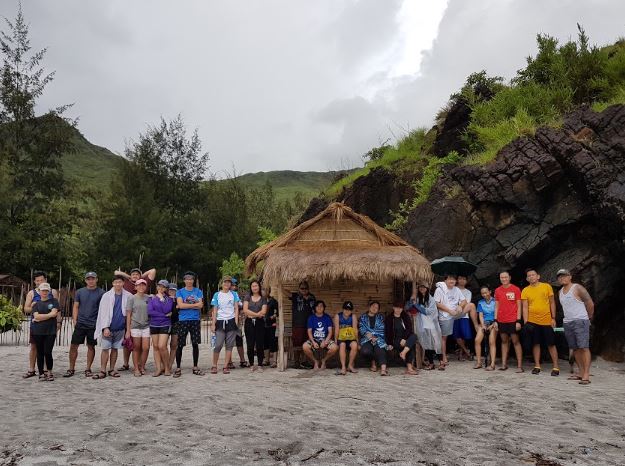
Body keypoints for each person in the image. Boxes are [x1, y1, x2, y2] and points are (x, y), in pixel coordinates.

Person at [114, 266, 156, 371]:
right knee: (128, 343)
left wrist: (141, 277)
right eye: (133, 274)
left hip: (143, 319)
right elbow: (116, 272)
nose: (135, 276)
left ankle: (140, 365)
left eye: (137, 274)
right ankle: (126, 363)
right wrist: (130, 277)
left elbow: (153, 271)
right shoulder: (126, 282)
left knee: (142, 346)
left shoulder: (144, 282)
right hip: (129, 317)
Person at [64, 271, 105, 378]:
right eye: (88, 279)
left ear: (96, 279)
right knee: (73, 346)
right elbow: (76, 306)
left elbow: (103, 309)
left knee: (91, 346)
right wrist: (74, 320)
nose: (91, 281)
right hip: (81, 323)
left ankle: (88, 368)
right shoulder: (80, 292)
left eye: (93, 278)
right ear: (85, 280)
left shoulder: (101, 293)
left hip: (93, 324)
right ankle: (71, 368)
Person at [557, 269, 594, 385]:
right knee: (575, 348)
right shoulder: (560, 292)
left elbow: (590, 303)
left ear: (570, 277)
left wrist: (588, 318)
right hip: (567, 322)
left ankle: (586, 374)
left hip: (580, 320)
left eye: (564, 276)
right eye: (560, 277)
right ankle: (580, 372)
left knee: (584, 347)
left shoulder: (578, 288)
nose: (562, 278)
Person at [522, 268, 560, 376]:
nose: (531, 277)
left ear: (538, 276)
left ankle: (556, 366)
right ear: (526, 278)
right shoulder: (525, 290)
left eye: (533, 275)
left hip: (547, 320)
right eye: (529, 276)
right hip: (532, 320)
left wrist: (553, 318)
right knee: (535, 343)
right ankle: (537, 365)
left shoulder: (546, 286)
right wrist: (526, 321)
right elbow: (525, 307)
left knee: (551, 343)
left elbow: (552, 303)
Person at [22, 271, 60, 379]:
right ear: (34, 282)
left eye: (41, 280)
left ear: (46, 280)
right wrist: (35, 307)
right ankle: (32, 369)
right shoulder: (31, 293)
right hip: (36, 326)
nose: (39, 282)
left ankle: (46, 370)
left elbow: (57, 309)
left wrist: (58, 321)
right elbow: (26, 308)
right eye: (37, 280)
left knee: (47, 349)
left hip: (49, 325)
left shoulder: (52, 292)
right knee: (34, 346)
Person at [93, 275, 132, 379]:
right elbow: (103, 312)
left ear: (123, 283)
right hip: (109, 327)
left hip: (120, 327)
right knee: (105, 348)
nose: (118, 284)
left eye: (120, 282)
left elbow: (129, 313)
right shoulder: (106, 296)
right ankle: (102, 370)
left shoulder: (128, 295)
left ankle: (111, 369)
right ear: (113, 284)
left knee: (115, 349)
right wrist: (105, 327)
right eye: (116, 282)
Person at [174, 271, 204, 377]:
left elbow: (201, 305)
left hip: (195, 320)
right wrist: (194, 305)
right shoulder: (180, 292)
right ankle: (178, 367)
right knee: (180, 344)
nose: (189, 281)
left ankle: (195, 366)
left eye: (191, 279)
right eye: (187, 279)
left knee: (195, 344)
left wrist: (186, 304)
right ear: (184, 280)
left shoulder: (198, 291)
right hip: (183, 320)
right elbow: (180, 305)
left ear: (193, 280)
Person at [407, 283, 443, 370]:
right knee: (426, 344)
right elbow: (408, 308)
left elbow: (428, 312)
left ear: (427, 288)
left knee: (437, 344)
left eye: (423, 287)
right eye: (420, 287)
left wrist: (416, 305)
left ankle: (441, 363)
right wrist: (412, 301)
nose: (422, 289)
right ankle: (431, 363)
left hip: (432, 325)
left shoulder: (431, 299)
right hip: (422, 325)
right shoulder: (417, 298)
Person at [434, 275, 467, 368]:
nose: (452, 281)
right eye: (449, 279)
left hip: (455, 313)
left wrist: (460, 306)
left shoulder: (456, 289)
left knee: (471, 305)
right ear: (445, 280)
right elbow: (436, 303)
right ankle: (443, 357)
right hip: (446, 315)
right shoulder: (440, 290)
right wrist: (449, 311)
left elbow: (464, 301)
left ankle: (475, 326)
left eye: (453, 279)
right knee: (444, 337)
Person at [494, 271, 524, 372]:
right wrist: (495, 320)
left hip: (513, 319)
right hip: (501, 319)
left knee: (515, 341)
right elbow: (496, 306)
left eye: (505, 277)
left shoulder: (515, 289)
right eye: (502, 277)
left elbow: (519, 306)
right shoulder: (497, 290)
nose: (504, 279)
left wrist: (519, 320)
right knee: (504, 341)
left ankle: (519, 366)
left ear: (509, 277)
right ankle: (504, 364)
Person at [210, 275, 240, 374]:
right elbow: (214, 310)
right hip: (220, 321)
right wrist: (213, 324)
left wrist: (235, 322)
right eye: (225, 282)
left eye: (228, 282)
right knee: (218, 344)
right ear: (221, 283)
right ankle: (214, 365)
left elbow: (236, 308)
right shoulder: (217, 294)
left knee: (229, 345)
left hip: (231, 321)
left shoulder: (234, 294)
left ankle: (226, 366)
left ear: (230, 284)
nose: (227, 284)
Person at [30, 283, 60, 381]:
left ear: (49, 291)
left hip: (50, 331)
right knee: (40, 352)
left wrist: (40, 318)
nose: (44, 292)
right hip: (37, 331)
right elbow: (36, 316)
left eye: (46, 290)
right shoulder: (36, 304)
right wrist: (48, 315)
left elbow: (54, 313)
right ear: (39, 291)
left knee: (48, 352)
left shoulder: (54, 301)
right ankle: (41, 373)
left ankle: (49, 371)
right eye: (42, 290)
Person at [147, 279, 174, 376]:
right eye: (159, 286)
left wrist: (161, 299)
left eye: (163, 287)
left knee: (162, 346)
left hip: (165, 324)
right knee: (155, 347)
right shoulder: (151, 298)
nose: (161, 288)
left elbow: (167, 309)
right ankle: (158, 369)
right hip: (154, 324)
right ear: (157, 286)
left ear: (166, 289)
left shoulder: (169, 299)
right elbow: (150, 311)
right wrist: (163, 315)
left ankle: (166, 367)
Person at [126, 279, 151, 377]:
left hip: (146, 326)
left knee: (146, 347)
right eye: (139, 285)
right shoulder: (131, 298)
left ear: (145, 287)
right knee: (136, 348)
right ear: (135, 287)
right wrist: (128, 330)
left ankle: (142, 366)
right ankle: (136, 368)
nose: (141, 287)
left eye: (143, 285)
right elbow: (128, 315)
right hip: (135, 326)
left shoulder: (149, 298)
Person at [302, 300, 338, 371]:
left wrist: (325, 341)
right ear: (315, 308)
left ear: (324, 308)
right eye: (317, 306)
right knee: (305, 346)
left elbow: (330, 332)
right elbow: (309, 331)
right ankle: (315, 361)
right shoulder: (311, 318)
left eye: (321, 306)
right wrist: (313, 342)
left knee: (334, 347)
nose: (319, 307)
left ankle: (323, 360)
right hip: (314, 339)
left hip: (325, 339)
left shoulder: (327, 318)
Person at [385, 301, 419, 375]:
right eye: (397, 307)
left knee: (414, 336)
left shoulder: (405, 316)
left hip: (405, 339)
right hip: (395, 341)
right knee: (411, 346)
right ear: (393, 308)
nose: (398, 309)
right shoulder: (389, 318)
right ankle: (409, 368)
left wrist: (404, 338)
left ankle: (403, 353)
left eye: (400, 308)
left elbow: (409, 329)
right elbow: (387, 332)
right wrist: (389, 343)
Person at [289, 281, 316, 369]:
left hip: (309, 325)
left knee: (307, 343)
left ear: (308, 289)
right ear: (299, 289)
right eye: (302, 288)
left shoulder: (312, 297)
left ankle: (305, 362)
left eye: (306, 288)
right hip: (297, 324)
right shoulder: (295, 296)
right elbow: (285, 293)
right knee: (297, 343)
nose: (304, 290)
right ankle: (296, 362)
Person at [359, 301, 389, 376]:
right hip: (367, 339)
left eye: (376, 308)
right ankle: (373, 361)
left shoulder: (380, 317)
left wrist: (375, 336)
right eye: (373, 306)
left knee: (380, 350)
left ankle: (383, 370)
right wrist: (368, 335)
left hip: (378, 338)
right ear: (369, 307)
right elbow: (361, 328)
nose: (374, 308)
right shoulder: (363, 317)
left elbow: (382, 328)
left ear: (378, 310)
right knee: (365, 351)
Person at [243, 280, 267, 371]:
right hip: (249, 322)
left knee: (260, 344)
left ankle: (260, 364)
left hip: (260, 323)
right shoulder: (247, 297)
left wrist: (253, 314)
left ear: (259, 287)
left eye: (256, 286)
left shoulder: (263, 298)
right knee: (250, 344)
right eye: (253, 286)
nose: (255, 288)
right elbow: (245, 310)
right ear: (251, 287)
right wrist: (257, 315)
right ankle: (251, 364)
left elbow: (264, 311)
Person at [474, 285, 498, 371]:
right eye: (482, 293)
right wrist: (483, 325)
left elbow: (497, 314)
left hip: (494, 323)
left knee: (492, 341)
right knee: (477, 340)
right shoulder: (480, 302)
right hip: (484, 323)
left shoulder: (495, 301)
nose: (484, 294)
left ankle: (492, 364)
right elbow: (480, 315)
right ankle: (479, 362)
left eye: (486, 292)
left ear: (490, 292)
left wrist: (492, 324)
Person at [453, 275, 475, 360]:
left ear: (466, 281)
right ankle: (466, 352)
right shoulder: (453, 289)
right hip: (453, 314)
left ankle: (461, 353)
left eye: (464, 279)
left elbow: (467, 303)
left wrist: (459, 306)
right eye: (460, 279)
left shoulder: (468, 292)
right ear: (457, 280)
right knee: (457, 335)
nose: (462, 280)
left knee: (464, 335)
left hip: (464, 315)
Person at [333, 301, 359, 375]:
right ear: (343, 309)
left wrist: (357, 341)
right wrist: (335, 340)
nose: (347, 311)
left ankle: (350, 365)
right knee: (342, 345)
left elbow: (355, 329)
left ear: (351, 310)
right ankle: (343, 367)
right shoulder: (338, 316)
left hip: (350, 338)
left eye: (349, 309)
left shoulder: (353, 316)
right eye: (346, 309)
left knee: (354, 345)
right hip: (341, 338)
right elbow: (337, 329)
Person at [230, 277, 248, 369]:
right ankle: (229, 361)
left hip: (237, 322)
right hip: (228, 321)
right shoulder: (224, 295)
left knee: (239, 340)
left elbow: (241, 306)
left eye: (234, 285)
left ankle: (242, 360)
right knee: (229, 342)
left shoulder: (237, 295)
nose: (234, 287)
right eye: (232, 285)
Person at [263, 287, 279, 368]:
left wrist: (273, 317)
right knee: (265, 342)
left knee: (273, 342)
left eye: (265, 290)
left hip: (271, 325)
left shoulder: (273, 301)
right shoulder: (260, 301)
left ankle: (275, 361)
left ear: (269, 291)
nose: (264, 292)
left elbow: (277, 312)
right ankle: (266, 360)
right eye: (262, 290)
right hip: (262, 325)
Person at [167, 283, 180, 373]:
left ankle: (170, 364)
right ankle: (164, 364)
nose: (172, 291)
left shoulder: (179, 299)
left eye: (174, 290)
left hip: (176, 323)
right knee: (162, 345)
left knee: (174, 344)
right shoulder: (164, 299)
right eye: (170, 290)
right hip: (165, 323)